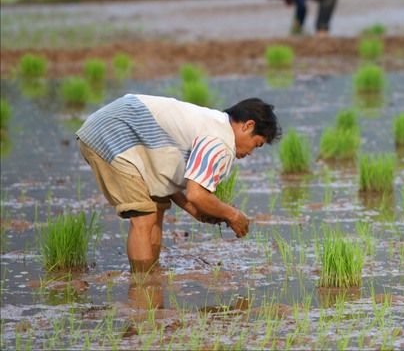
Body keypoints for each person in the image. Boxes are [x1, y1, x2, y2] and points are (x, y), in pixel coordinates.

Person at [76, 94, 281, 273]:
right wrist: (233, 215)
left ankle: (150, 277)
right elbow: (197, 194)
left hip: (117, 129)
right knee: (144, 217)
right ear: (248, 126)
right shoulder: (221, 141)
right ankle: (142, 288)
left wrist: (196, 212)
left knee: (157, 207)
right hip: (111, 133)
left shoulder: (212, 124)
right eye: (257, 144)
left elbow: (173, 187)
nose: (251, 152)